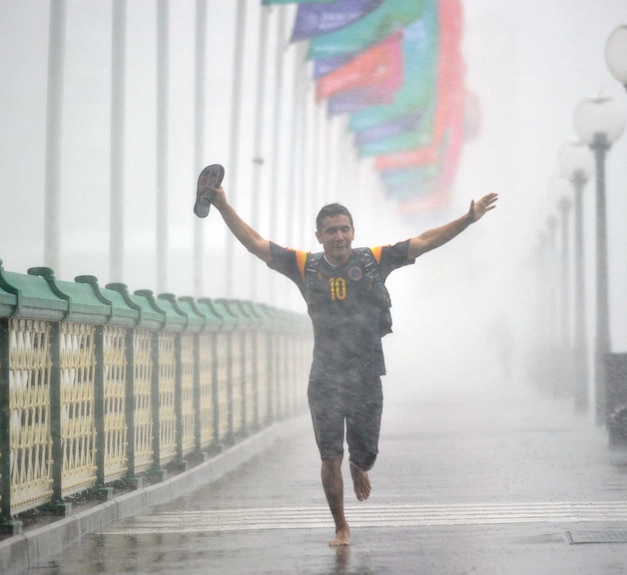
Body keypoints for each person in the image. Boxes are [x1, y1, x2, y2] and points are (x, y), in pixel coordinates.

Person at [205, 183, 498, 546]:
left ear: (353, 232)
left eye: (344, 229)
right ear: (319, 236)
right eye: (331, 231)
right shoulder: (304, 266)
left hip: (365, 376)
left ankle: (360, 466)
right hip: (325, 378)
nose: (339, 236)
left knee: (364, 455)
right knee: (330, 457)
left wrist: (468, 219)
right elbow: (256, 244)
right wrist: (222, 205)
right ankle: (340, 526)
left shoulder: (373, 259)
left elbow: (425, 240)